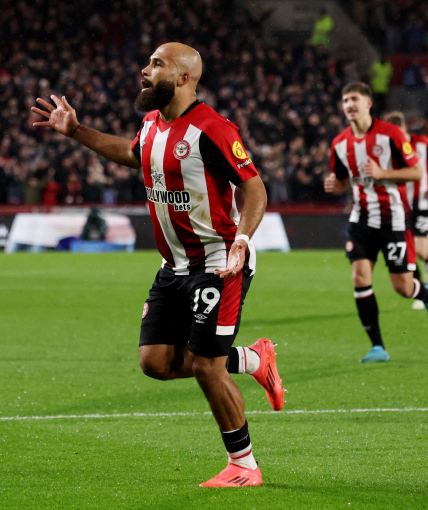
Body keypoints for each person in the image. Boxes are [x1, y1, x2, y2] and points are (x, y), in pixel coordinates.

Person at [31, 42, 284, 487]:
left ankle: (244, 465)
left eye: (156, 64)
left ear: (184, 78)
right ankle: (252, 359)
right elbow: (132, 155)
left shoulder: (213, 129)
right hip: (174, 267)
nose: (144, 71)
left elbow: (256, 189)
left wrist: (243, 238)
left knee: (207, 366)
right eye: (148, 62)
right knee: (155, 362)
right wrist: (76, 131)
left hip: (218, 262)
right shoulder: (150, 124)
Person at [324, 82, 428, 363]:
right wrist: (335, 185)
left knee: (403, 288)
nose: (349, 104)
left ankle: (426, 295)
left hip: (394, 219)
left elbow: (416, 172)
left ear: (368, 103)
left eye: (354, 99)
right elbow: (342, 183)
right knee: (360, 278)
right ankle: (378, 347)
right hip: (361, 219)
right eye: (344, 100)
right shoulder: (339, 143)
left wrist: (383, 172)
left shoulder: (390, 134)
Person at [383, 111, 428, 309]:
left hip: (421, 201)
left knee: (420, 249)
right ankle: (423, 291)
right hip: (400, 204)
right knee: (408, 250)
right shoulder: (388, 149)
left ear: (403, 129)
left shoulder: (422, 142)